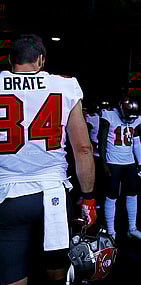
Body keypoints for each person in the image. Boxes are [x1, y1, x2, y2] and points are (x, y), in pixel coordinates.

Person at [0, 34, 96, 285]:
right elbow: (83, 148)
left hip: (7, 194)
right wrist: (88, 198)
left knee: (12, 274)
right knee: (57, 273)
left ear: (10, 60)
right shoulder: (64, 85)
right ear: (41, 60)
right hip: (51, 193)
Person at [98, 96, 141, 240]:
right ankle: (111, 231)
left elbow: (136, 141)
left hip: (129, 161)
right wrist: (104, 163)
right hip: (113, 161)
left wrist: (140, 163)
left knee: (132, 193)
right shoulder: (109, 115)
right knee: (112, 194)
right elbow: (102, 140)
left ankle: (132, 228)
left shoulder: (136, 119)